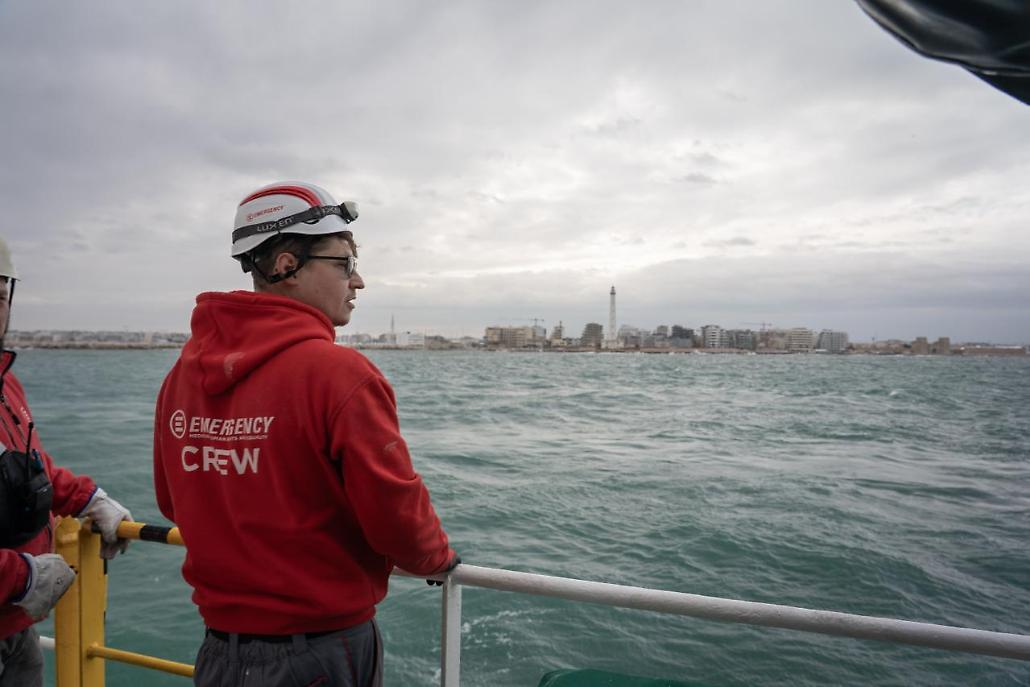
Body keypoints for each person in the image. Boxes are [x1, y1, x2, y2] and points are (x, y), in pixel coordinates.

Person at [153, 181, 458, 687]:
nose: (358, 280)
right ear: (286, 266)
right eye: (344, 263)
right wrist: (437, 559)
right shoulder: (339, 375)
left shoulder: (181, 376)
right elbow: (397, 519)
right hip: (320, 654)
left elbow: (172, 502)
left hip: (219, 652)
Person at [0, 236, 132, 687]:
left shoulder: (6, 382)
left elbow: (26, 468)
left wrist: (90, 499)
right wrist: (21, 577)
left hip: (15, 626)